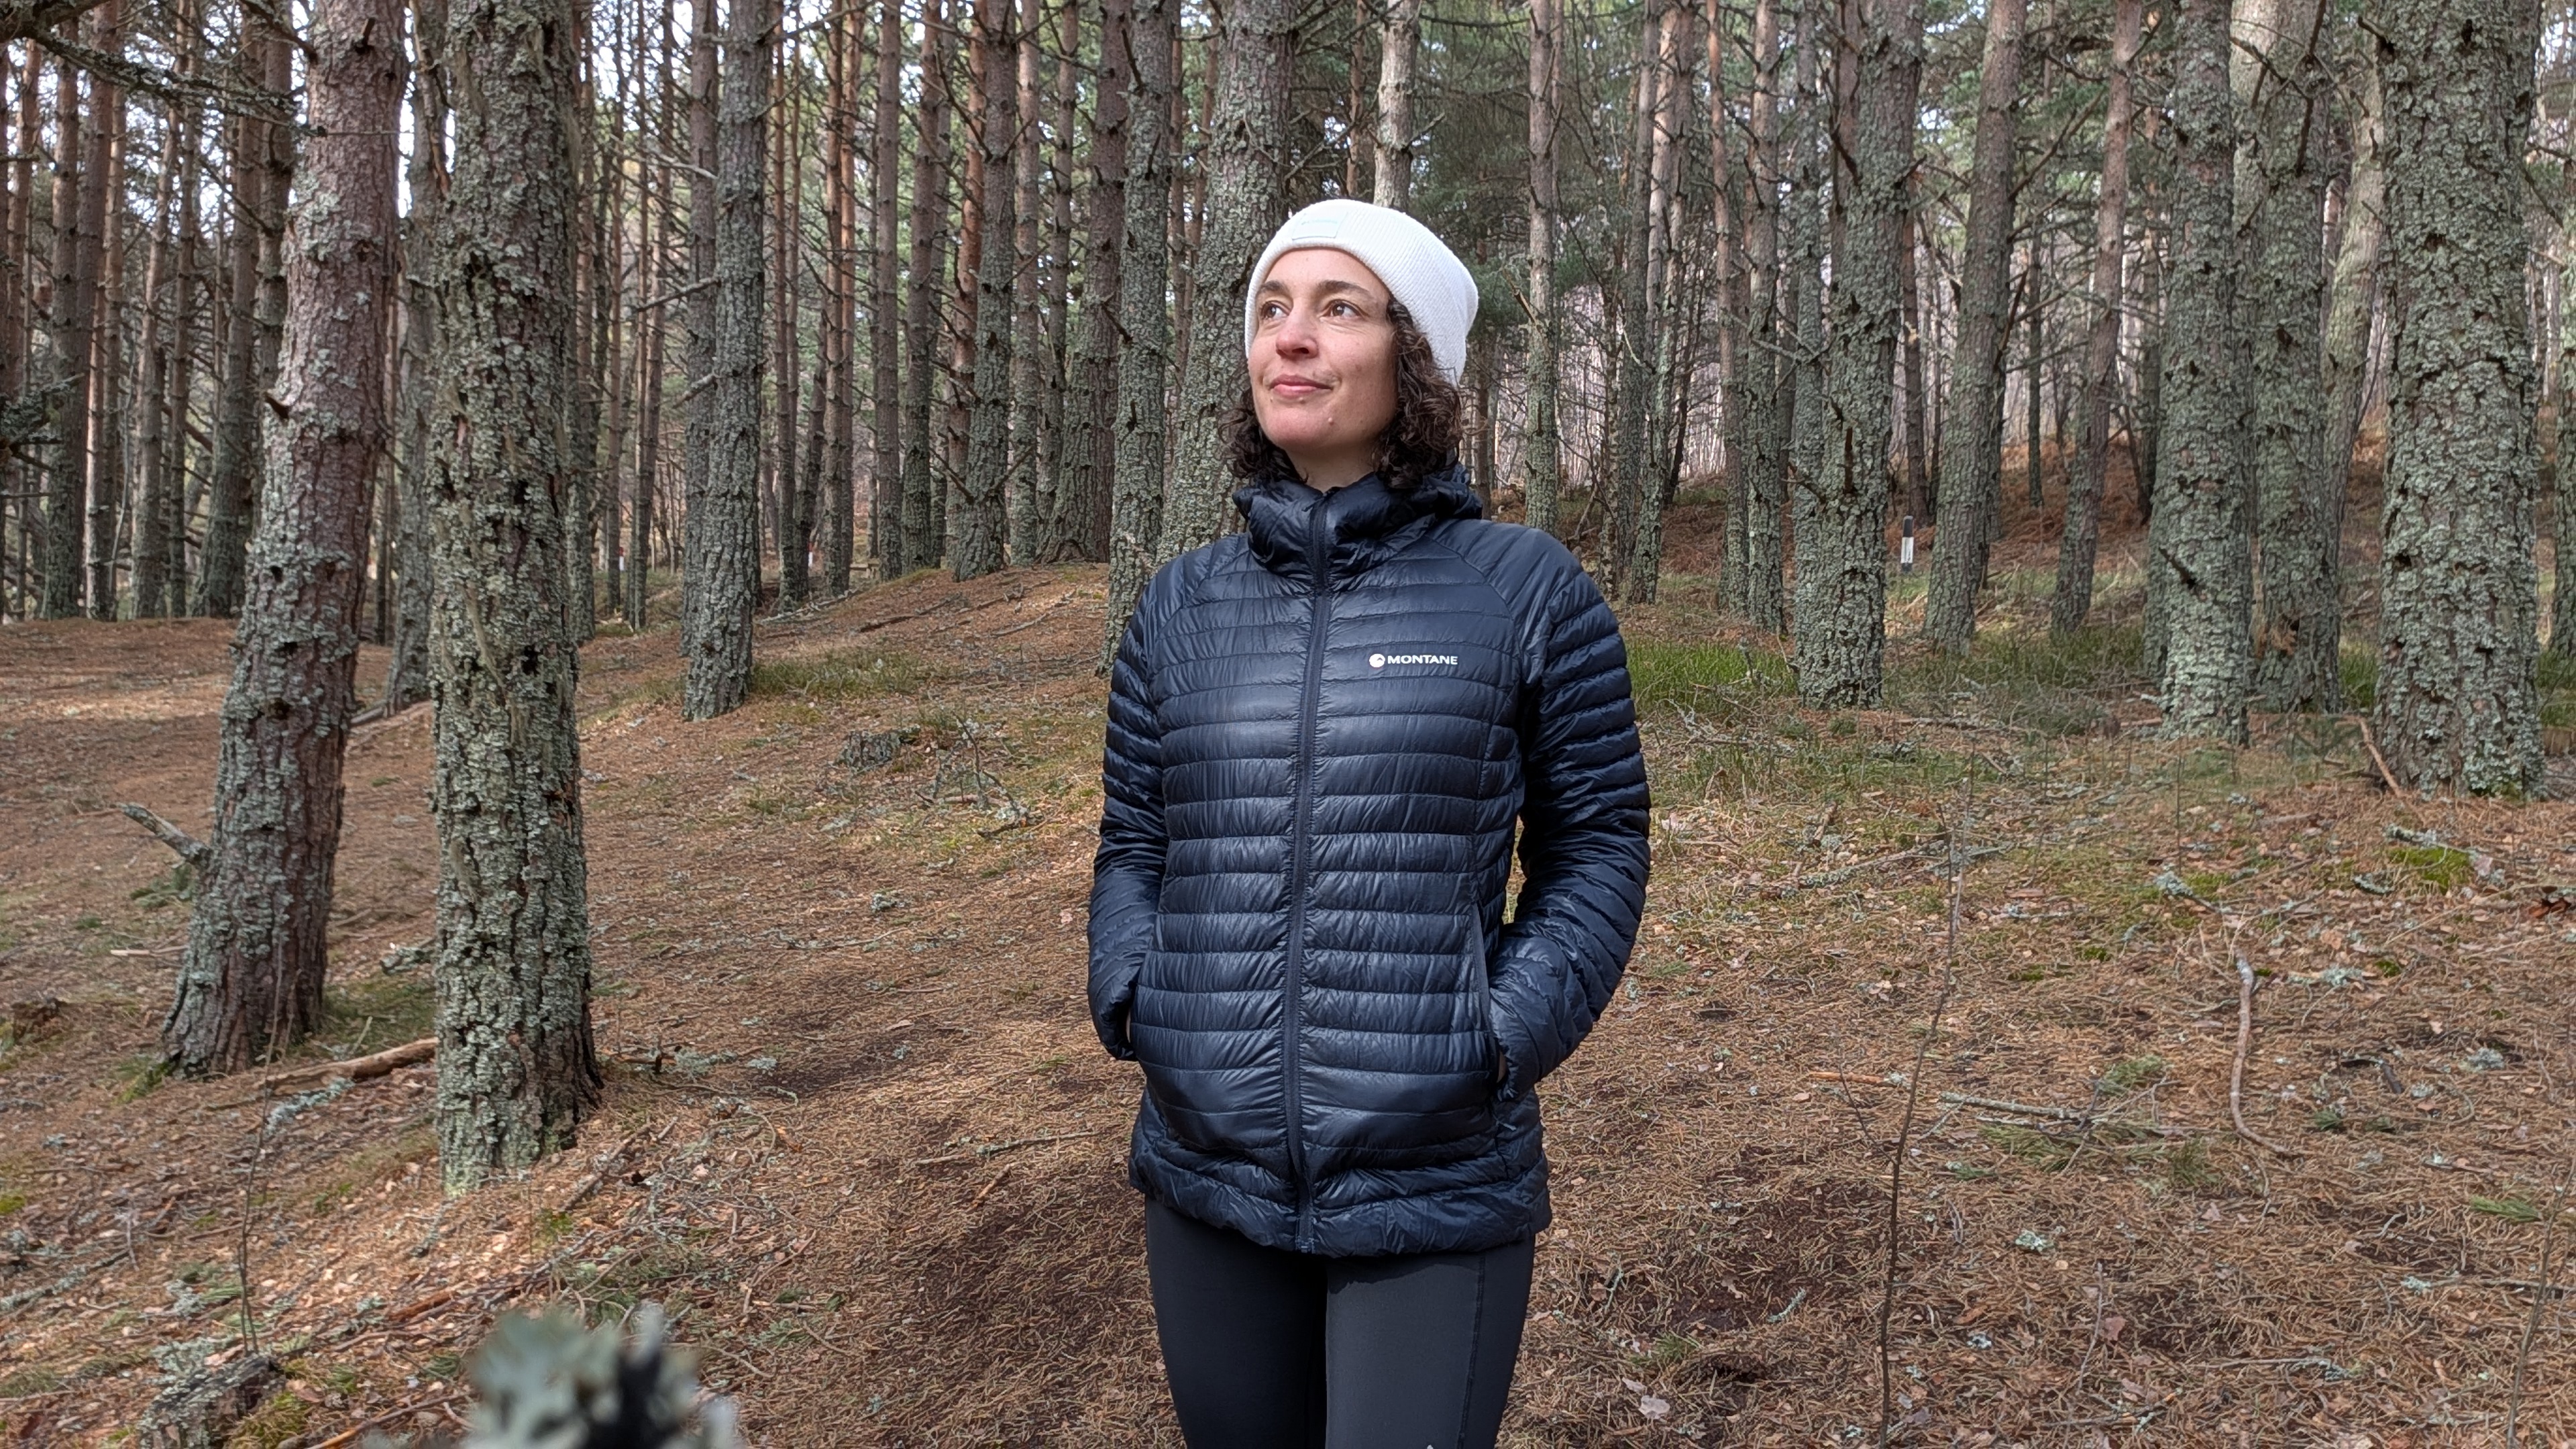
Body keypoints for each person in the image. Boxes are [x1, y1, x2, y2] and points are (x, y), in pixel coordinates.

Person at [1087, 198, 1652, 1449]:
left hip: (1433, 1176)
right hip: (1206, 1170)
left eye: (1339, 308)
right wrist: (1135, 994)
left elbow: (1599, 843)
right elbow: (1135, 840)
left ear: (1418, 358)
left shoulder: (1527, 591)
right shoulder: (1183, 604)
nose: (1291, 338)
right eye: (1272, 311)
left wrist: (1495, 1033)